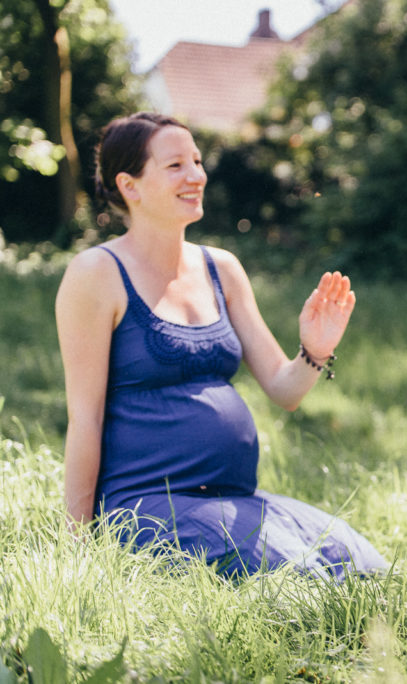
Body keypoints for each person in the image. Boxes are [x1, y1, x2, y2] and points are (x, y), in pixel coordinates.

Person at [56, 112, 387, 580]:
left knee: (366, 568)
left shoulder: (221, 268)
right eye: (175, 166)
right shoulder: (96, 274)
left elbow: (284, 389)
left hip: (235, 500)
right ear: (129, 185)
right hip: (149, 504)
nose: (196, 175)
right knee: (305, 581)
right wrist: (76, 546)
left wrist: (314, 348)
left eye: (196, 160)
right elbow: (83, 419)